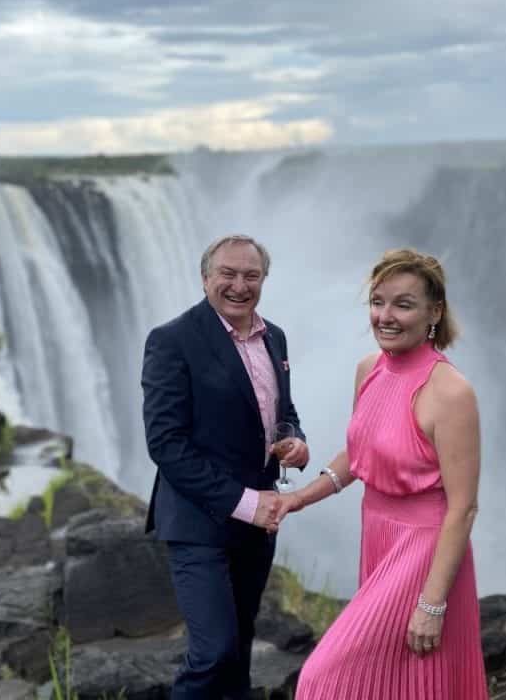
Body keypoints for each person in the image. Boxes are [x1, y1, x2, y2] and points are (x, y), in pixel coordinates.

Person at [283, 248, 488, 700]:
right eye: (378, 302)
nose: (386, 316)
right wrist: (298, 499)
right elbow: (360, 455)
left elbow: (464, 508)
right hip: (378, 535)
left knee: (322, 679)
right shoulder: (368, 371)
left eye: (403, 304)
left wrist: (432, 604)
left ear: (434, 311)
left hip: (425, 550)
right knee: (392, 685)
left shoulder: (451, 392)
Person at [142, 233, 310, 700]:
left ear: (263, 280)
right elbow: (165, 444)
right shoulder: (172, 340)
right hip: (199, 521)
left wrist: (293, 440)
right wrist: (246, 504)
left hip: (257, 526)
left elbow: (283, 412)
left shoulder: (273, 336)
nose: (240, 285)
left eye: (251, 275)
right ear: (205, 279)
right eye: (228, 274)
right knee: (212, 653)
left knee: (237, 649)